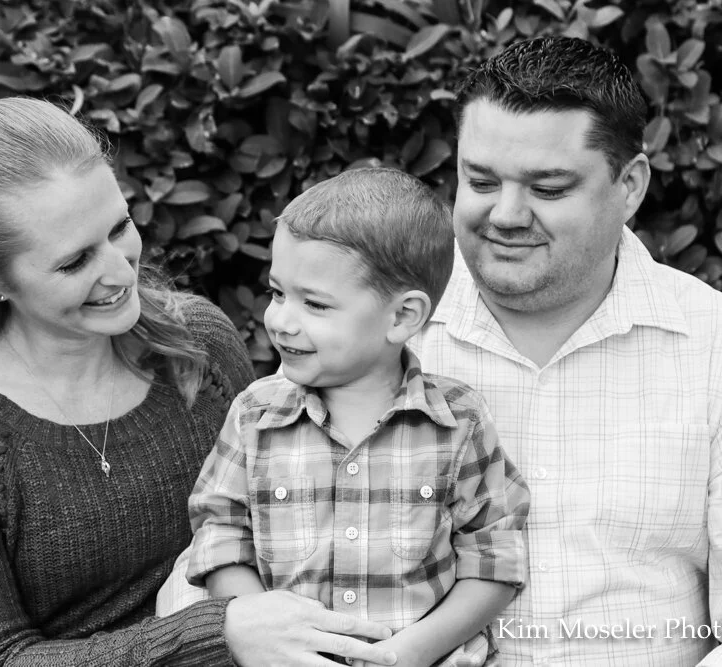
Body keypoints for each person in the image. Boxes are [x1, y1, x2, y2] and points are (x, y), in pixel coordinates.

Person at [0, 97, 401, 667]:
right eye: (74, 262)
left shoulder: (200, 347)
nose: (120, 271)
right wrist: (216, 634)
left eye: (119, 227)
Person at [408, 36, 722, 665]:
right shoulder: (383, 328)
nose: (505, 214)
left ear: (630, 186)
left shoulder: (721, 348)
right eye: (480, 181)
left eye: (549, 188)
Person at [182, 168, 531, 666]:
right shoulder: (255, 416)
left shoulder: (459, 422)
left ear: (402, 317)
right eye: (277, 293)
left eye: (315, 304)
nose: (280, 320)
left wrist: (409, 652)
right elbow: (220, 538)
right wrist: (270, 637)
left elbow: (494, 560)